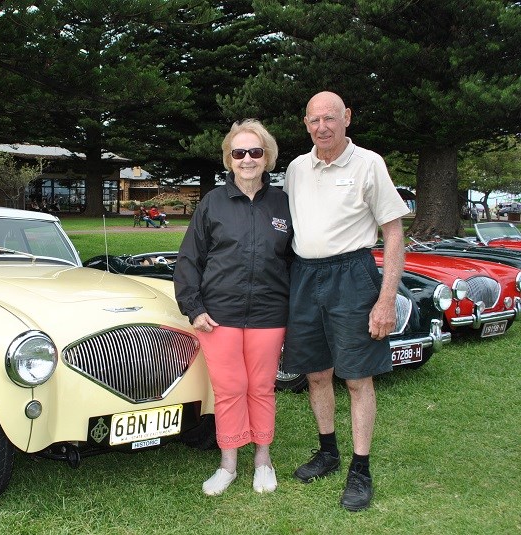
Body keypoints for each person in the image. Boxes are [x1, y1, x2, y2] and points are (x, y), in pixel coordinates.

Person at [282, 91, 410, 512]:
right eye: (315, 120)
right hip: (304, 276)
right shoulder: (297, 168)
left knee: (357, 377)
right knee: (317, 375)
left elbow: (393, 232)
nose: (323, 127)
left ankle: (360, 468)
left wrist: (386, 298)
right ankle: (328, 452)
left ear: (347, 118)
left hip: (352, 276)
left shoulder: (368, 163)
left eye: (331, 119)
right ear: (306, 124)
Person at [174, 119, 293, 496]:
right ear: (229, 158)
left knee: (261, 387)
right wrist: (194, 307)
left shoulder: (283, 203)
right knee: (229, 389)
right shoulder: (213, 202)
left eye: (255, 152)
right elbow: (189, 258)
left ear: (267, 157)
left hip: (269, 314)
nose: (247, 159)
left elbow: (296, 259)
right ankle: (228, 464)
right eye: (239, 152)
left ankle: (262, 460)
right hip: (218, 315)